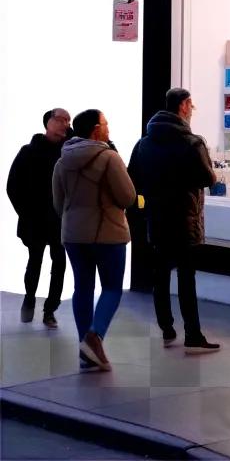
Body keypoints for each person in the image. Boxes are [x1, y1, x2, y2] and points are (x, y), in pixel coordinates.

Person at [128, 88, 220, 354]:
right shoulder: (192, 142)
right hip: (185, 216)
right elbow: (207, 178)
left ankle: (167, 328)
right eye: (191, 105)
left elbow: (133, 177)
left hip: (156, 216)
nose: (192, 110)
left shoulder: (144, 143)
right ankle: (192, 332)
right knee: (186, 276)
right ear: (184, 106)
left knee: (160, 275)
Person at [52, 109, 136, 372]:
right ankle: (94, 337)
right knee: (111, 288)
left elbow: (58, 203)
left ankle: (85, 349)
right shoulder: (109, 158)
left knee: (83, 288)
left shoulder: (62, 161)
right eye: (105, 123)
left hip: (73, 236)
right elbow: (128, 197)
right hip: (107, 233)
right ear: (95, 129)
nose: (108, 128)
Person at [7, 109, 71, 328]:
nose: (65, 124)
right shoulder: (28, 151)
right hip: (34, 220)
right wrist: (26, 213)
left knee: (59, 264)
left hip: (61, 221)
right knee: (35, 262)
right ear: (47, 122)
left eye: (68, 120)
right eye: (60, 119)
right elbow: (12, 186)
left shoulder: (69, 152)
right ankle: (29, 298)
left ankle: (50, 310)